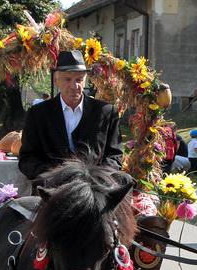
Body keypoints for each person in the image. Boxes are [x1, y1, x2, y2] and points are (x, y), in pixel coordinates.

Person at [18, 50, 122, 183]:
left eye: (79, 80)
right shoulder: (38, 114)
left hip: (95, 186)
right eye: (68, 79)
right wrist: (55, 175)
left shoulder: (105, 112)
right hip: (52, 186)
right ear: (56, 81)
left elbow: (114, 156)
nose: (74, 86)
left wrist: (96, 176)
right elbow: (27, 159)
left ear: (85, 81)